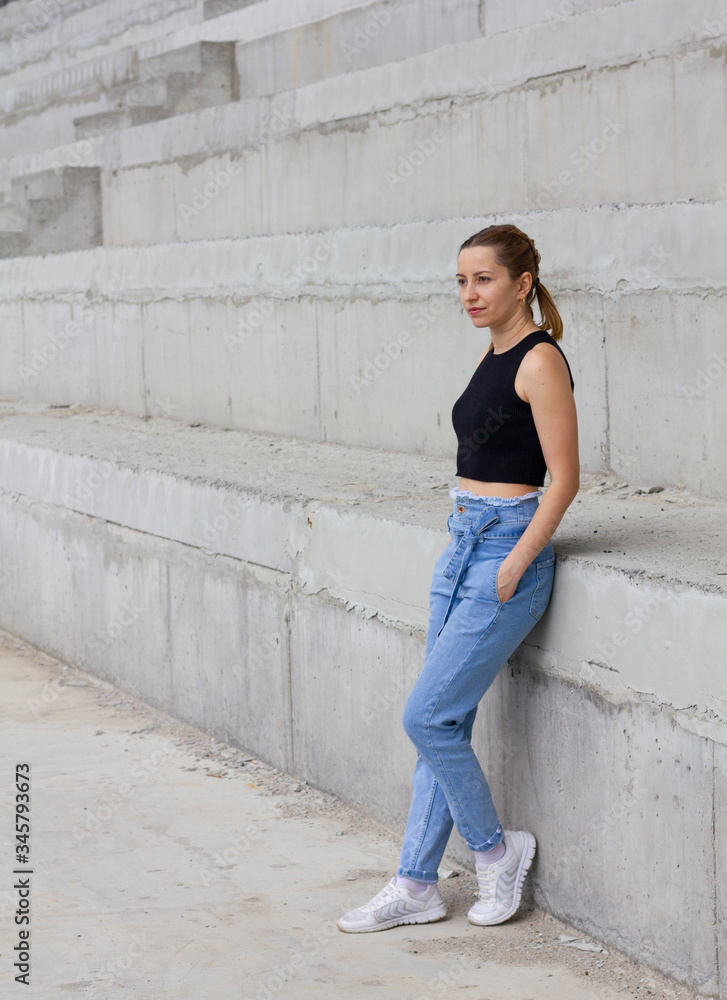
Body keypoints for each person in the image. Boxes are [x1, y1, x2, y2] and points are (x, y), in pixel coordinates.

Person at [337, 223, 579, 933]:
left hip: (505, 547)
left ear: (522, 284)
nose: (469, 294)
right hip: (461, 543)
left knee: (424, 717)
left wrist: (517, 559)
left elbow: (564, 478)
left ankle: (496, 852)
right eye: (462, 282)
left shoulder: (540, 360)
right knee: (442, 721)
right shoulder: (492, 352)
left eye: (484, 279)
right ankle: (416, 884)